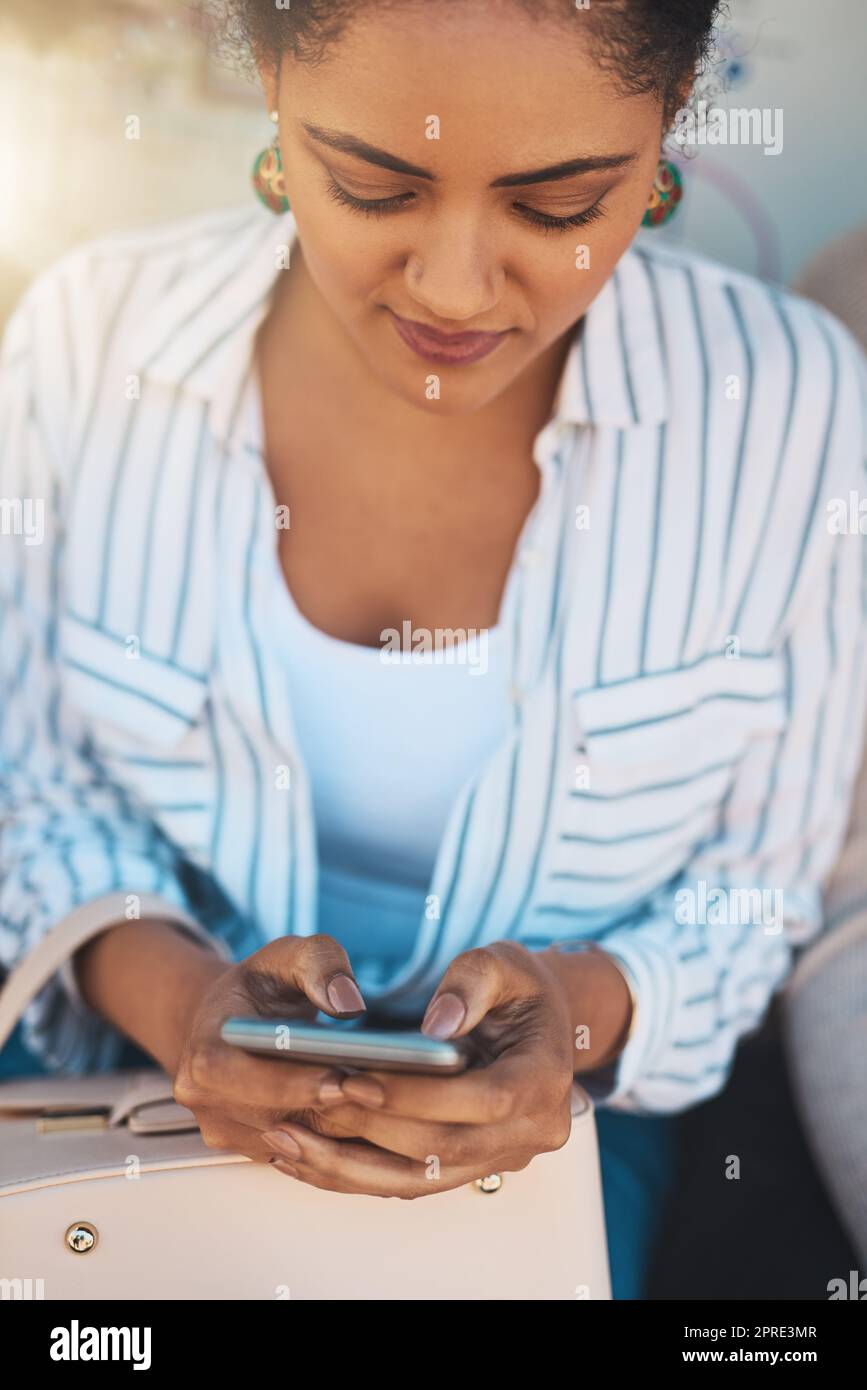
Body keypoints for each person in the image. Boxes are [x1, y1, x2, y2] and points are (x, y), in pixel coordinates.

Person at [1, 0, 865, 1300]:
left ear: (678, 103)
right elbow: (39, 787)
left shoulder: (792, 413)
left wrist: (575, 1013)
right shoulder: (86, 348)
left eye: (561, 205)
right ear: (274, 82)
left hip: (551, 1147)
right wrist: (187, 1006)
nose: (455, 289)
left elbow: (756, 886)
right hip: (118, 1107)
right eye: (369, 185)